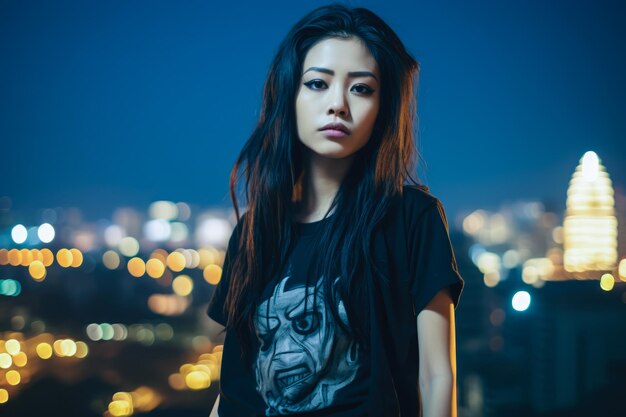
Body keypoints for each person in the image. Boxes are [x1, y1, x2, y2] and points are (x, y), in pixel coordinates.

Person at [207, 3, 464, 417]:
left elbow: (437, 377)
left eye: (361, 88)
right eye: (317, 84)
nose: (338, 105)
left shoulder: (411, 219)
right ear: (289, 95)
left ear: (383, 107)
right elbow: (236, 380)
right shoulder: (255, 232)